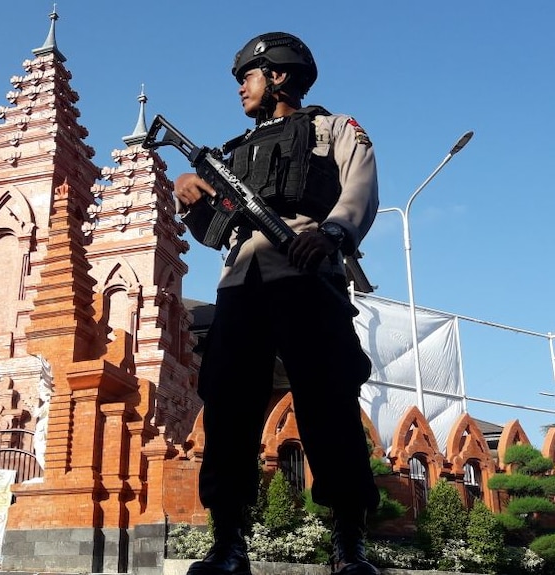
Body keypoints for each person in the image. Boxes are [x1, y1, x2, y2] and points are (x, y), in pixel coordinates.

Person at [173, 32, 380, 575]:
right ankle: (228, 543)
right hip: (240, 282)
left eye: (248, 76)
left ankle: (349, 543)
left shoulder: (334, 129)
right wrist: (190, 194)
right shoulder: (231, 154)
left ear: (279, 75)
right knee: (228, 406)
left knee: (328, 400)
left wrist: (334, 233)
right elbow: (212, 233)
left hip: (307, 272)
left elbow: (360, 190)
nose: (241, 88)